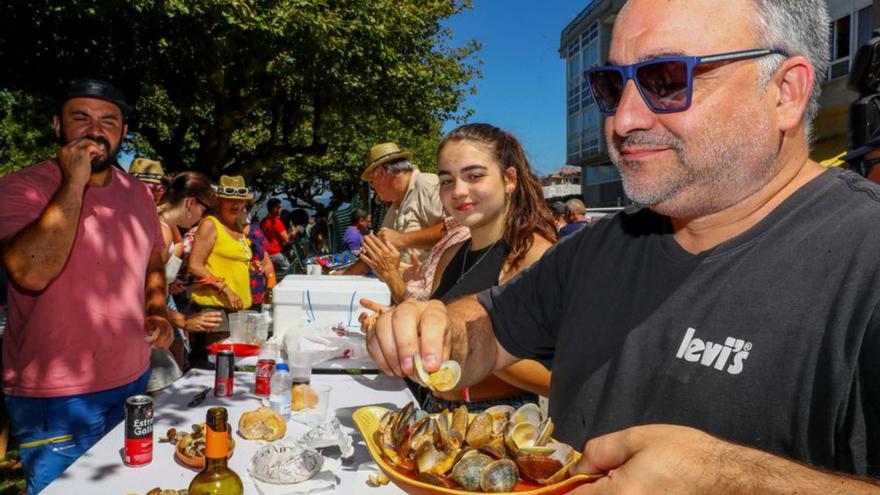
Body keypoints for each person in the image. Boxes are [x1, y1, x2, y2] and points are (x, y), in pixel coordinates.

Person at [366, 0, 880, 491]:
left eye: (666, 80)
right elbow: (488, 328)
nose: (624, 120)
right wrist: (437, 328)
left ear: (785, 91)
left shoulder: (865, 257)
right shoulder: (601, 246)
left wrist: (733, 481)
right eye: (612, 85)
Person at [0, 78, 173, 494]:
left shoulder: (138, 195)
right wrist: (73, 182)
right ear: (57, 125)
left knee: (133, 485)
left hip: (132, 380)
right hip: (56, 396)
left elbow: (153, 259)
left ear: (123, 133)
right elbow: (31, 272)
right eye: (81, 118)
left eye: (109, 121)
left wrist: (156, 309)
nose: (95, 130)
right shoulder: (20, 187)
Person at [363, 123, 556, 413]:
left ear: (509, 180)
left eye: (474, 176)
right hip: (436, 410)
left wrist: (468, 343)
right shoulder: (451, 253)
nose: (458, 191)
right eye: (447, 181)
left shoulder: (532, 255)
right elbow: (434, 328)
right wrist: (399, 326)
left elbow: (555, 379)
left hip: (499, 419)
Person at [152, 171, 223, 376]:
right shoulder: (162, 231)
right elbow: (139, 293)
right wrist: (184, 321)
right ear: (190, 203)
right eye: (205, 209)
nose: (204, 216)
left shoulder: (163, 223)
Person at [344, 143, 445, 276]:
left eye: (372, 181)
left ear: (381, 173)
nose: (373, 186)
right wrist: (341, 275)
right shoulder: (396, 204)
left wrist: (403, 239)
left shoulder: (427, 184)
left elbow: (457, 228)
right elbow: (372, 257)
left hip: (436, 292)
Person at [187, 175, 254, 367]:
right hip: (216, 306)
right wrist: (226, 289)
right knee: (221, 366)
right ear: (219, 200)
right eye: (229, 199)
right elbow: (195, 266)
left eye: (239, 199)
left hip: (237, 309)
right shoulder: (210, 224)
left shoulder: (238, 227)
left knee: (231, 366)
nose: (235, 204)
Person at [261, 198, 292, 274]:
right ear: (274, 209)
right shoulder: (277, 222)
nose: (281, 209)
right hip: (275, 252)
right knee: (289, 270)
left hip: (265, 253)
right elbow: (287, 239)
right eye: (279, 207)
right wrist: (297, 230)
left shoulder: (264, 221)